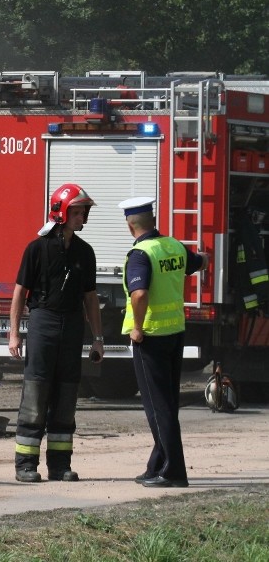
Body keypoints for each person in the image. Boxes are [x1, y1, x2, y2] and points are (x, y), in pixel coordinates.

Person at [8, 183, 104, 483]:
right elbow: (20, 292)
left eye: (84, 211)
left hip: (72, 325)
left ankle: (60, 464)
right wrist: (14, 334)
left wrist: (98, 338)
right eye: (77, 211)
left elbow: (90, 297)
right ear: (61, 212)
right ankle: (25, 464)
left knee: (66, 396)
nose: (82, 217)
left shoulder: (85, 253)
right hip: (43, 323)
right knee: (36, 395)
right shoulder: (36, 249)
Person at [119, 197, 208, 488]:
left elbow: (140, 294)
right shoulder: (173, 245)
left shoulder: (140, 254)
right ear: (152, 220)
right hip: (175, 334)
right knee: (167, 403)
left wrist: (138, 328)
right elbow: (199, 262)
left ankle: (173, 471)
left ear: (130, 224)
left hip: (152, 336)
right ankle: (157, 464)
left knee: (158, 407)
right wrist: (204, 258)